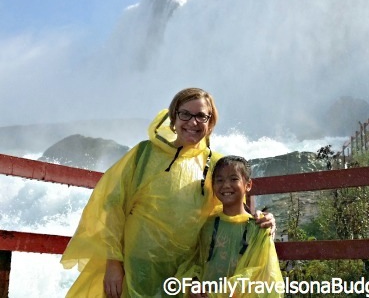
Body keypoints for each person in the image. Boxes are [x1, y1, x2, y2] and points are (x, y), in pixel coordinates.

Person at [60, 88, 275, 297]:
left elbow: (230, 209)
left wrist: (264, 221)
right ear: (173, 119)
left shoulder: (217, 164)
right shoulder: (143, 154)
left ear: (210, 123)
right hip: (136, 267)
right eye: (185, 114)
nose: (193, 122)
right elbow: (112, 207)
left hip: (185, 274)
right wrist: (113, 263)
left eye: (201, 116)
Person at [176, 155, 283, 298]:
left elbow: (261, 273)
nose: (226, 185)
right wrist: (193, 283)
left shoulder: (258, 228)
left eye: (234, 179)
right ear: (213, 186)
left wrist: (218, 294)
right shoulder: (207, 225)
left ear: (248, 185)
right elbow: (195, 262)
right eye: (219, 180)